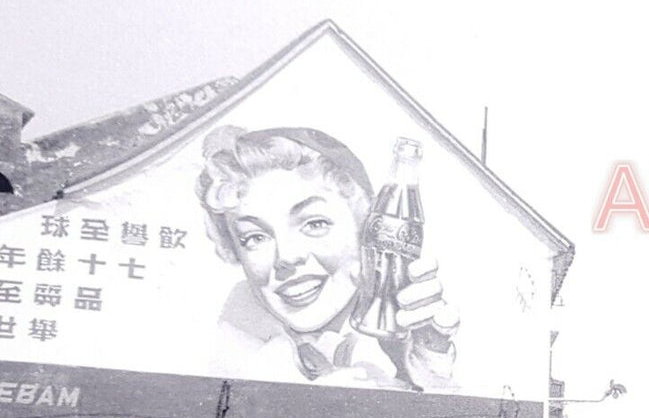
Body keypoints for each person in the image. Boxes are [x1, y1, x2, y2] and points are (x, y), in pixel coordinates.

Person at [195, 125, 459, 389]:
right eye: (254, 237)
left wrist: (431, 360)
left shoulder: (410, 327)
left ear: (365, 228)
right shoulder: (238, 332)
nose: (287, 257)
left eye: (315, 223)